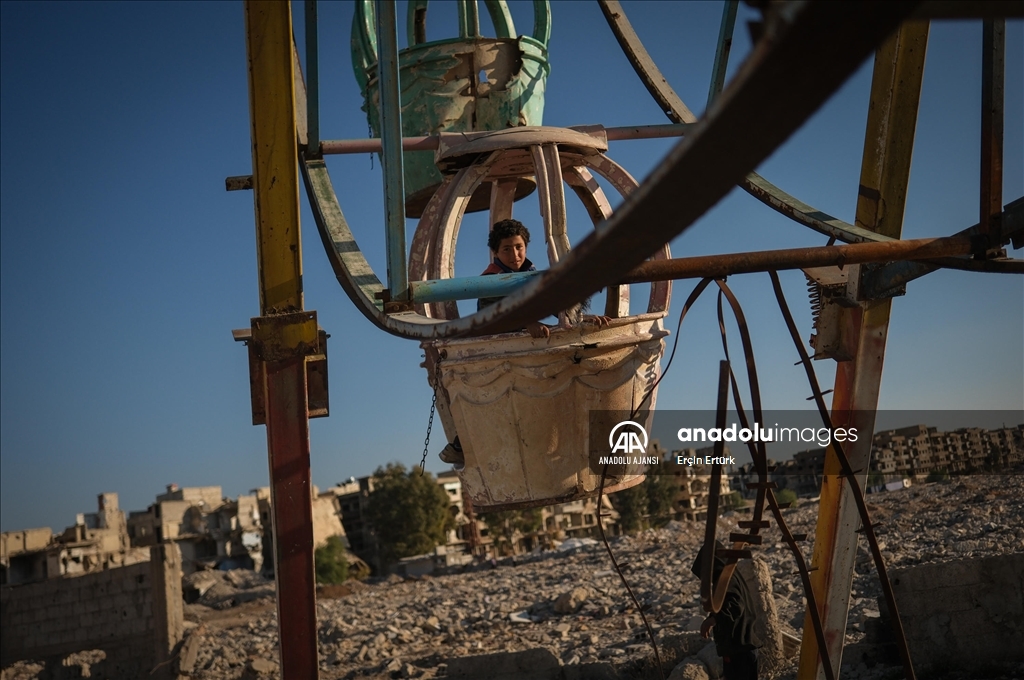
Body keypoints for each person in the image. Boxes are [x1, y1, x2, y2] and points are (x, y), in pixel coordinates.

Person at [690, 541, 762, 680]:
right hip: (740, 648)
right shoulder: (729, 577)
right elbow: (723, 605)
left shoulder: (726, 580)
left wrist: (713, 620)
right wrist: (713, 617)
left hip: (740, 650)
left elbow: (735, 606)